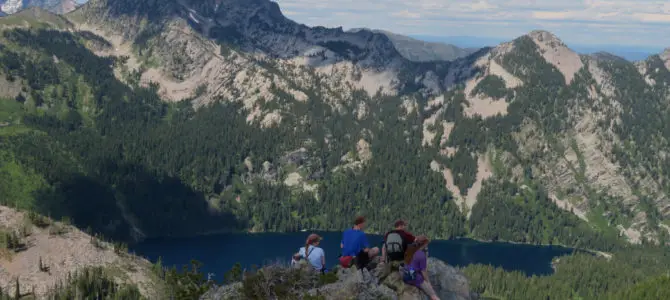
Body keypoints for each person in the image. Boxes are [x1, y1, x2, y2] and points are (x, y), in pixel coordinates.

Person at [402, 236, 440, 300]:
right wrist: (428, 283)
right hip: (413, 277)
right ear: (424, 244)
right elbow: (423, 272)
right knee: (433, 294)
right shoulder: (422, 255)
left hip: (405, 274)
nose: (427, 245)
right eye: (427, 244)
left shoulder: (409, 249)